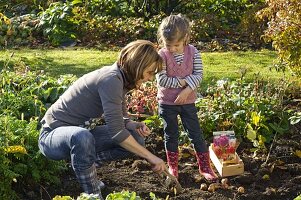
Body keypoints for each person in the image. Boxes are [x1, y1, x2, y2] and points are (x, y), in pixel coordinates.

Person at [38, 40, 167, 199]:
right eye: (150, 72)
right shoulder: (111, 79)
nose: (150, 78)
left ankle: (84, 169)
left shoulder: (120, 79)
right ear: (137, 66)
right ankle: (92, 193)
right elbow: (117, 132)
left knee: (135, 137)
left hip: (82, 135)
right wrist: (151, 156)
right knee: (82, 136)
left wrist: (134, 124)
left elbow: (121, 120)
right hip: (52, 137)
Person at [156, 14, 217, 181]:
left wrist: (186, 90)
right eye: (169, 45)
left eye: (176, 45)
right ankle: (173, 167)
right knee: (171, 134)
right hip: (167, 103)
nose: (172, 48)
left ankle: (205, 166)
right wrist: (182, 81)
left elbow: (198, 75)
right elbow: (162, 79)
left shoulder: (193, 52)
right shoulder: (162, 55)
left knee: (195, 133)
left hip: (188, 101)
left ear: (186, 38)